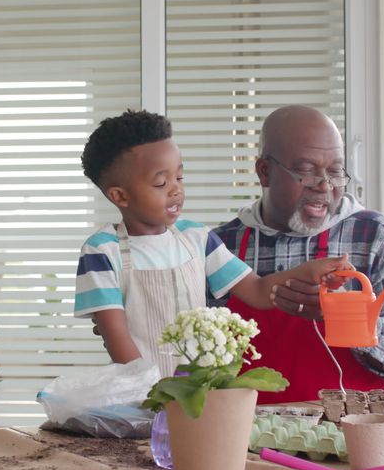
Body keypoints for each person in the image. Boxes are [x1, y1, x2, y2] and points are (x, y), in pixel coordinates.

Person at [74, 109, 352, 377]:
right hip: (141, 395)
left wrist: (311, 271)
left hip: (201, 387)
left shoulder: (197, 238)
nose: (176, 190)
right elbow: (117, 338)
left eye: (179, 177)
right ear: (120, 196)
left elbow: (257, 289)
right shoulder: (101, 251)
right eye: (161, 183)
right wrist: (154, 397)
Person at [209, 105, 384, 403]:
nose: (324, 185)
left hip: (358, 437)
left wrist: (349, 319)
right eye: (306, 170)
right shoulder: (222, 247)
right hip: (248, 440)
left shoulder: (377, 237)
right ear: (264, 172)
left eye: (335, 171)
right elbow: (195, 362)